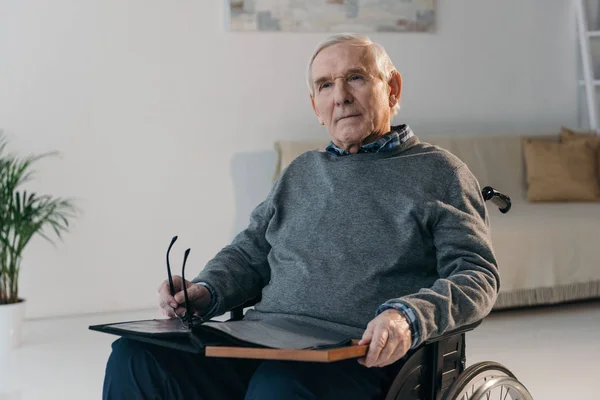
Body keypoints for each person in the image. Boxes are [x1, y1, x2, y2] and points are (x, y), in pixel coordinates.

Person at [102, 33, 500, 400]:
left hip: (356, 356)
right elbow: (250, 252)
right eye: (325, 85)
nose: (340, 96)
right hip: (262, 340)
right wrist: (205, 290)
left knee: (278, 387)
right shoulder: (301, 171)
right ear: (315, 106)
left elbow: (477, 276)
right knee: (135, 357)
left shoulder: (440, 173)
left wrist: (408, 317)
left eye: (355, 78)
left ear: (392, 88)